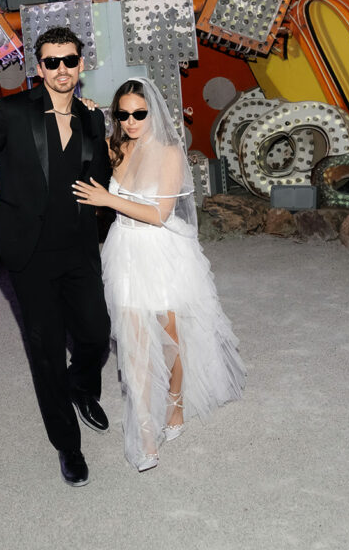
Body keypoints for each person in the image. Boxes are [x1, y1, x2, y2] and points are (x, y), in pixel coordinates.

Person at [0, 26, 112, 488]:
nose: (62, 70)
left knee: (95, 334)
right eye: (52, 62)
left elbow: (100, 176)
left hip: (78, 248)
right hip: (29, 253)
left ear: (81, 64)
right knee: (46, 352)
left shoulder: (92, 118)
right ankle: (68, 445)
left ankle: (82, 386)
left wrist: (101, 223)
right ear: (38, 67)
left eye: (70, 61)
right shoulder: (13, 111)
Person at [73, 77, 245, 472]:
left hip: (162, 249)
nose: (131, 121)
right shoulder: (117, 148)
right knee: (133, 345)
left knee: (169, 341)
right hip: (125, 249)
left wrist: (106, 198)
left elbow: (159, 214)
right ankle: (145, 434)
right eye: (123, 114)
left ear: (153, 113)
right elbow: (86, 143)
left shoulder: (170, 154)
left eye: (139, 114)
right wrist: (86, 111)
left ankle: (176, 404)